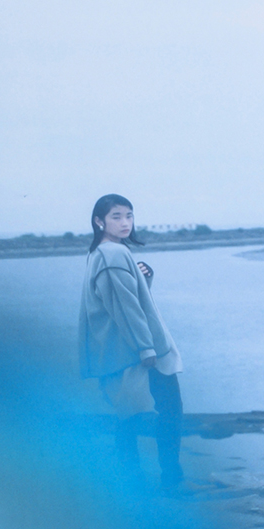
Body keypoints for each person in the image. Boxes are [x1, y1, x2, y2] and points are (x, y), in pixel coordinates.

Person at [78, 194, 187, 488]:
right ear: (99, 221)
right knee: (169, 410)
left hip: (121, 349)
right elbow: (126, 309)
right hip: (138, 351)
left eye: (129, 215)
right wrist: (146, 347)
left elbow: (124, 300)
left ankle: (134, 482)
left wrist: (142, 280)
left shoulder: (101, 252)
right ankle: (171, 480)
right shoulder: (112, 254)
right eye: (116, 216)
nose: (125, 222)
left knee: (128, 414)